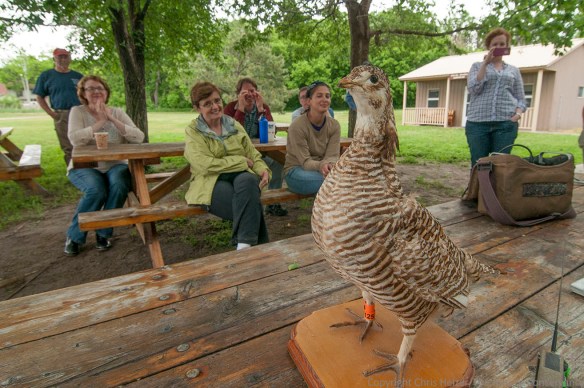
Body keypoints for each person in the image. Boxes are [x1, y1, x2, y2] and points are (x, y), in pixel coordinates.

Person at [64, 75, 145, 256]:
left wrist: (111, 119)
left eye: (100, 88)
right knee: (96, 189)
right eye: (90, 89)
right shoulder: (77, 112)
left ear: (106, 92)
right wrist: (100, 122)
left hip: (115, 163)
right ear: (83, 93)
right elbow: (74, 139)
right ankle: (75, 236)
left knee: (119, 184)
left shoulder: (117, 112)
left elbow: (139, 137)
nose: (96, 92)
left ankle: (103, 233)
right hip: (86, 165)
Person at [185, 81, 271, 250]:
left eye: (217, 101)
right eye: (207, 104)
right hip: (210, 181)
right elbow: (204, 165)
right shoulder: (193, 130)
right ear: (197, 108)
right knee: (250, 205)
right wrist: (240, 161)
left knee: (248, 181)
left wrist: (263, 170)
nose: (215, 106)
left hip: (240, 177)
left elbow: (252, 153)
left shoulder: (233, 124)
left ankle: (243, 248)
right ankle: (255, 250)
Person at [224, 77, 287, 216]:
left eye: (252, 91)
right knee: (242, 174)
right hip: (237, 155)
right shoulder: (229, 108)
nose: (250, 95)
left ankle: (273, 203)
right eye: (245, 92)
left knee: (277, 162)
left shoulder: (262, 107)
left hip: (261, 153)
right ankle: (233, 208)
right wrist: (240, 109)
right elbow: (230, 134)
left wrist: (260, 109)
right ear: (238, 94)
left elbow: (272, 132)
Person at [465, 27, 526, 167]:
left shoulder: (513, 70)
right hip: (478, 124)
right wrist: (485, 64)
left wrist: (517, 114)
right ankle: (477, 189)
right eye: (494, 44)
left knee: (500, 165)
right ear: (488, 46)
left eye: (502, 44)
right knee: (479, 164)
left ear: (507, 46)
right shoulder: (477, 66)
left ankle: (497, 190)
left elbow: (521, 98)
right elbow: (474, 88)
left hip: (505, 124)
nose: (498, 47)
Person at [284, 81, 341, 195]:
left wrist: (329, 164)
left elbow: (332, 156)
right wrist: (322, 166)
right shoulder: (297, 126)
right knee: (337, 182)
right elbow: (305, 162)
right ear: (309, 101)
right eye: (319, 96)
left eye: (327, 96)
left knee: (344, 179)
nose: (324, 99)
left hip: (323, 171)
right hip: (297, 171)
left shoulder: (334, 125)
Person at [33, 48, 84, 166]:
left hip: (80, 113)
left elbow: (86, 95)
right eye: (60, 57)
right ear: (54, 59)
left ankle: (88, 171)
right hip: (62, 114)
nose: (63, 59)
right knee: (68, 146)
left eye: (65, 56)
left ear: (70, 59)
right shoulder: (46, 76)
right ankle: (73, 172)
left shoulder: (77, 76)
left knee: (83, 143)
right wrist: (51, 113)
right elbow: (39, 96)